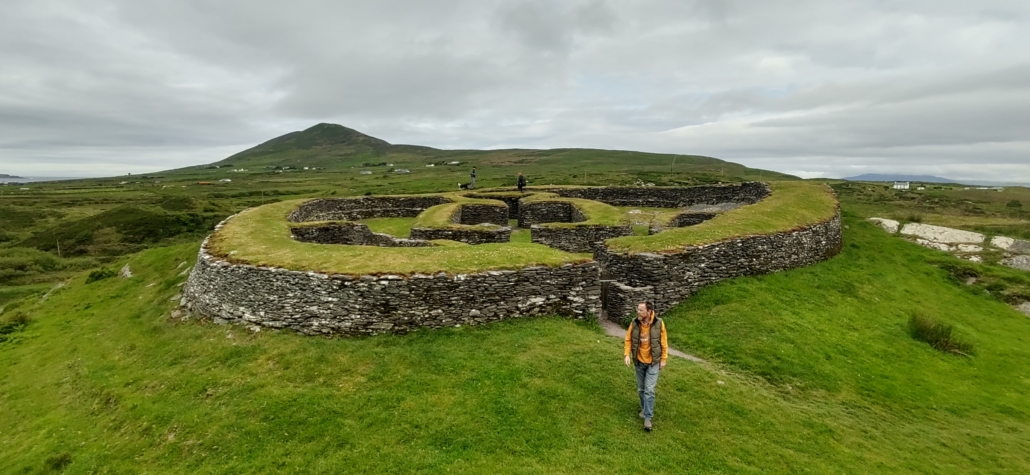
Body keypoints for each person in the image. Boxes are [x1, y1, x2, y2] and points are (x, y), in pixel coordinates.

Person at [623, 301, 667, 432]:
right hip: (639, 361)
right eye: (638, 309)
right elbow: (628, 339)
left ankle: (648, 418)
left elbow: (664, 342)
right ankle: (644, 409)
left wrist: (664, 359)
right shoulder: (635, 322)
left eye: (641, 310)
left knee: (649, 390)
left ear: (649, 312)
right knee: (641, 389)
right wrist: (626, 354)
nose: (638, 312)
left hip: (653, 362)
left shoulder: (659, 323)